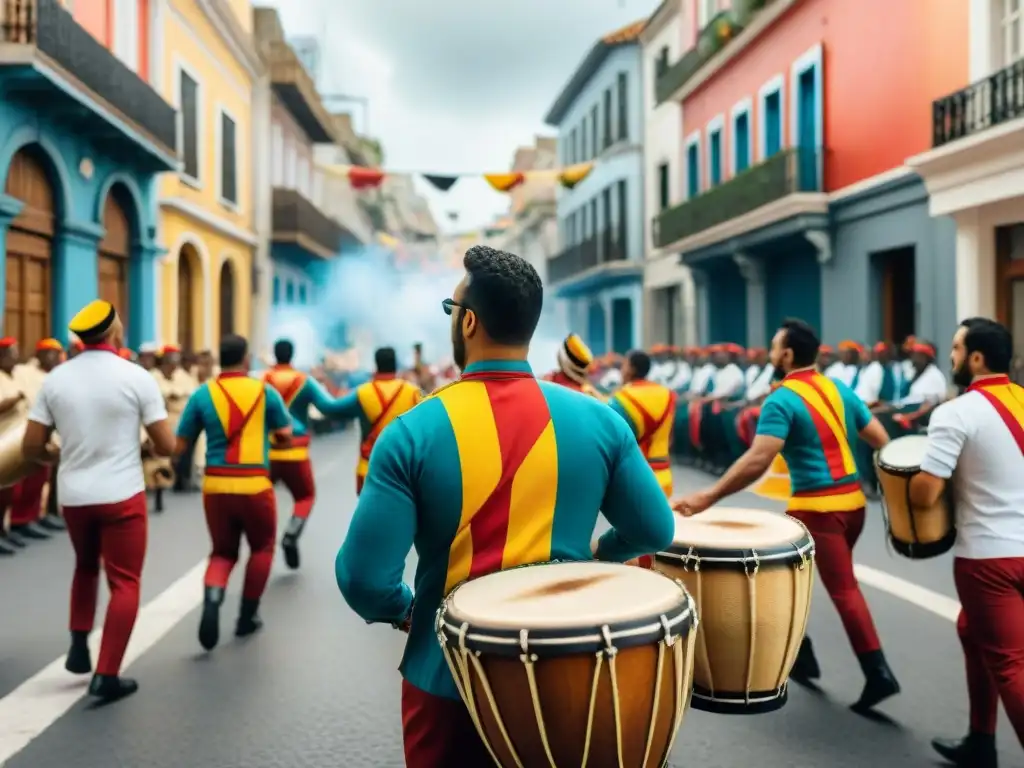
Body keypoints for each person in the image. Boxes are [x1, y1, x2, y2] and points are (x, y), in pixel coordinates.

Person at [334, 245, 675, 768]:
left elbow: (363, 580)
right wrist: (601, 553)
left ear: (468, 322)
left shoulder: (411, 433)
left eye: (452, 310)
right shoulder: (600, 419)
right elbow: (654, 528)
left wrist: (408, 611)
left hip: (448, 675)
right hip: (571, 670)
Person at [673, 318, 899, 713]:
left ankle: (877, 671)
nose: (770, 353)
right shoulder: (838, 388)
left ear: (788, 355)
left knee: (828, 586)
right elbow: (881, 441)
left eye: (774, 347)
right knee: (810, 577)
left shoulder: (781, 398)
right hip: (854, 507)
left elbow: (759, 459)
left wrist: (708, 496)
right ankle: (805, 651)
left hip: (816, 509)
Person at [21, 300, 175, 702]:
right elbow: (166, 445)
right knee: (125, 582)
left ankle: (78, 645)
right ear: (113, 331)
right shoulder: (136, 376)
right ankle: (106, 674)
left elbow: (31, 446)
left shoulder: (55, 379)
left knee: (85, 567)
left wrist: (58, 454)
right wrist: (139, 444)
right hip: (121, 494)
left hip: (73, 497)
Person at [908, 318, 1024, 767]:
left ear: (976, 358)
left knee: (1011, 665)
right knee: (972, 632)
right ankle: (980, 739)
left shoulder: (956, 412)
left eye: (956, 348)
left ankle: (983, 740)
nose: (951, 356)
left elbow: (923, 496)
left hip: (990, 558)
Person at [174, 334, 293, 651]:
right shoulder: (264, 392)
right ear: (245, 359)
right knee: (262, 548)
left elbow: (180, 444)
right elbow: (284, 434)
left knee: (222, 552)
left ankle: (213, 598)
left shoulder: (202, 394)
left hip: (215, 486)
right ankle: (246, 617)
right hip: (255, 484)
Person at [263, 338, 356, 568]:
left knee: (262, 497)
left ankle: (263, 540)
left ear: (275, 354)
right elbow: (330, 408)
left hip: (266, 453)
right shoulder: (304, 381)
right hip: (296, 452)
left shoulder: (261, 381)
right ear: (291, 355)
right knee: (305, 496)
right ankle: (292, 532)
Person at [10, 338, 66, 539]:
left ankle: (34, 516)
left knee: (42, 479)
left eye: (57, 353)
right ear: (39, 354)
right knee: (24, 480)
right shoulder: (25, 373)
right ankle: (18, 520)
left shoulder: (59, 375)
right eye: (50, 353)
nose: (54, 357)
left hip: (50, 435)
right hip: (27, 433)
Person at [610, 349, 677, 498]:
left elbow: (614, 439)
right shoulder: (667, 394)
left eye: (624, 365)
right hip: (663, 477)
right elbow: (671, 437)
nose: (621, 370)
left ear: (632, 369)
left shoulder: (622, 398)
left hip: (636, 478)